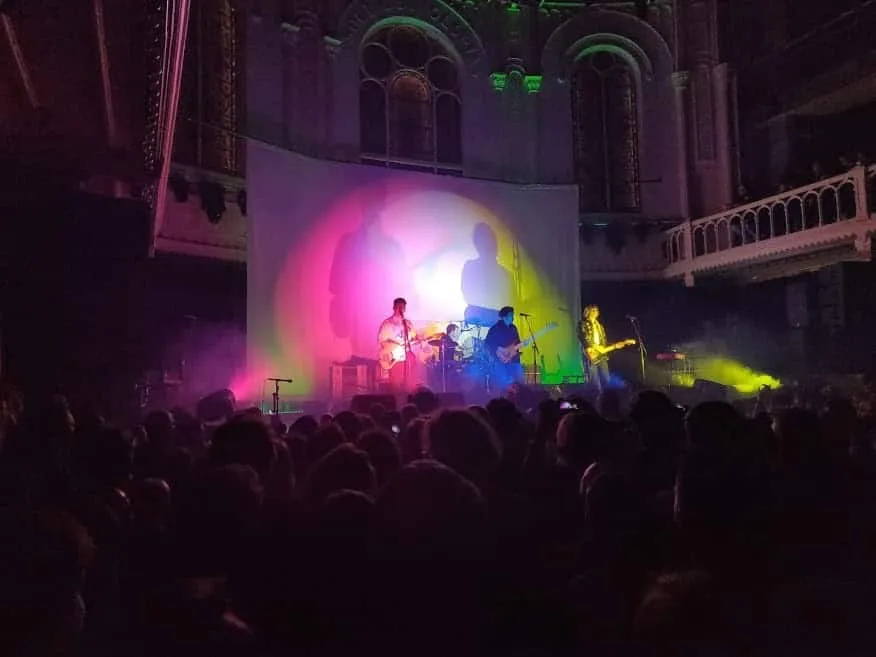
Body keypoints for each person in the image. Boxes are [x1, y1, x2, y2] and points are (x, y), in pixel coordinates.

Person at [377, 298, 420, 393]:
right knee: (396, 387)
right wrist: (394, 347)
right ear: (394, 307)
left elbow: (414, 338)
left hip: (407, 358)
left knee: (410, 386)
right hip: (395, 359)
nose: (401, 309)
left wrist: (418, 340)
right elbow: (382, 341)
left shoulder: (407, 323)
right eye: (399, 307)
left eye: (403, 307)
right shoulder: (387, 324)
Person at [484, 306, 524, 392]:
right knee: (503, 386)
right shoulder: (495, 328)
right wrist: (500, 350)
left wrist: (519, 346)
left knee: (518, 383)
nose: (513, 317)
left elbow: (517, 342)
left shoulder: (514, 328)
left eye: (513, 315)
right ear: (504, 316)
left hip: (514, 360)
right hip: (500, 362)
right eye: (511, 315)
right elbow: (488, 342)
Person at [579, 305, 610, 390]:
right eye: (593, 310)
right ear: (587, 312)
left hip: (601, 355)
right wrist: (593, 347)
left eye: (596, 310)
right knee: (594, 380)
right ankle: (595, 398)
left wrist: (603, 349)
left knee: (606, 379)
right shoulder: (583, 324)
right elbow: (583, 337)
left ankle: (607, 398)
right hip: (591, 354)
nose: (595, 312)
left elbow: (604, 340)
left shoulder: (600, 326)